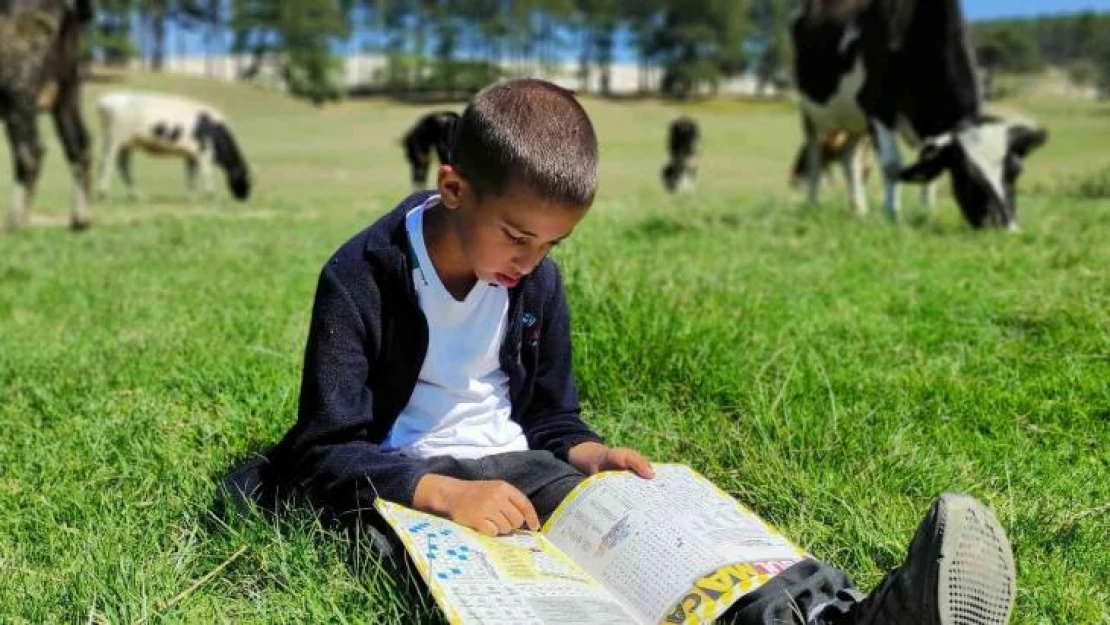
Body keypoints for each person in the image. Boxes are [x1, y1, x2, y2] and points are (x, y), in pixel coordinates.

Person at [220, 78, 1016, 625]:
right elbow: (327, 448)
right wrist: (440, 493)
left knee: (646, 521)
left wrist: (585, 450)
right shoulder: (359, 277)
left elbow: (547, 412)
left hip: (516, 465)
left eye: (554, 243)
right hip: (401, 479)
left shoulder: (537, 280)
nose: (530, 262)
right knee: (463, 572)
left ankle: (848, 612)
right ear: (454, 188)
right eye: (519, 236)